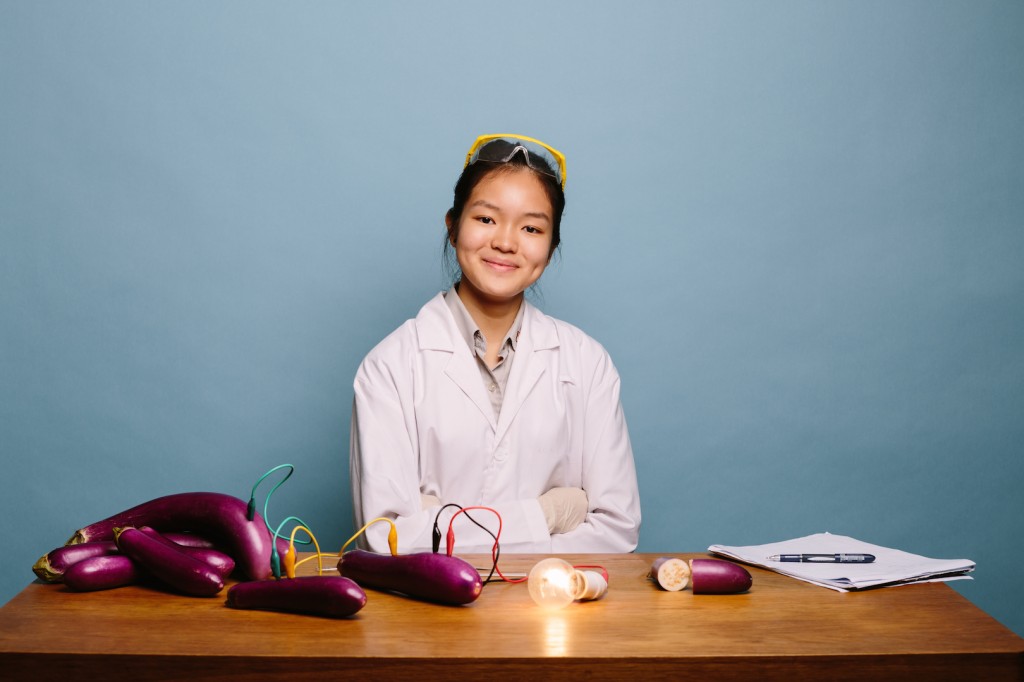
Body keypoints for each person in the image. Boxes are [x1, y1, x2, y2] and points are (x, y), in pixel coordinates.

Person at [349, 134, 640, 554]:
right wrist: (549, 515)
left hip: (553, 614)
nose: (506, 241)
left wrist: (440, 525)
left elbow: (616, 532)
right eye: (486, 219)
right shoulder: (390, 366)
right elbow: (388, 540)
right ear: (452, 227)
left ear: (552, 245)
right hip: (427, 618)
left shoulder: (587, 363)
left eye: (531, 227)